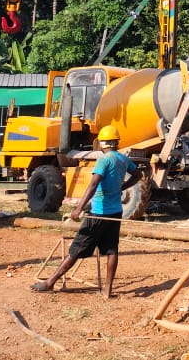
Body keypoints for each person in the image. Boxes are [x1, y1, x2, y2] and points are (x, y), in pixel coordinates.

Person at [31, 124, 142, 299]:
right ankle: (107, 290)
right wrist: (122, 186)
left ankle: (50, 282)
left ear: (102, 143)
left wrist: (78, 208)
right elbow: (138, 175)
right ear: (116, 142)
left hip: (98, 212)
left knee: (76, 249)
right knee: (111, 250)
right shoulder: (123, 159)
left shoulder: (104, 160)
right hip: (115, 213)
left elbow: (93, 183)